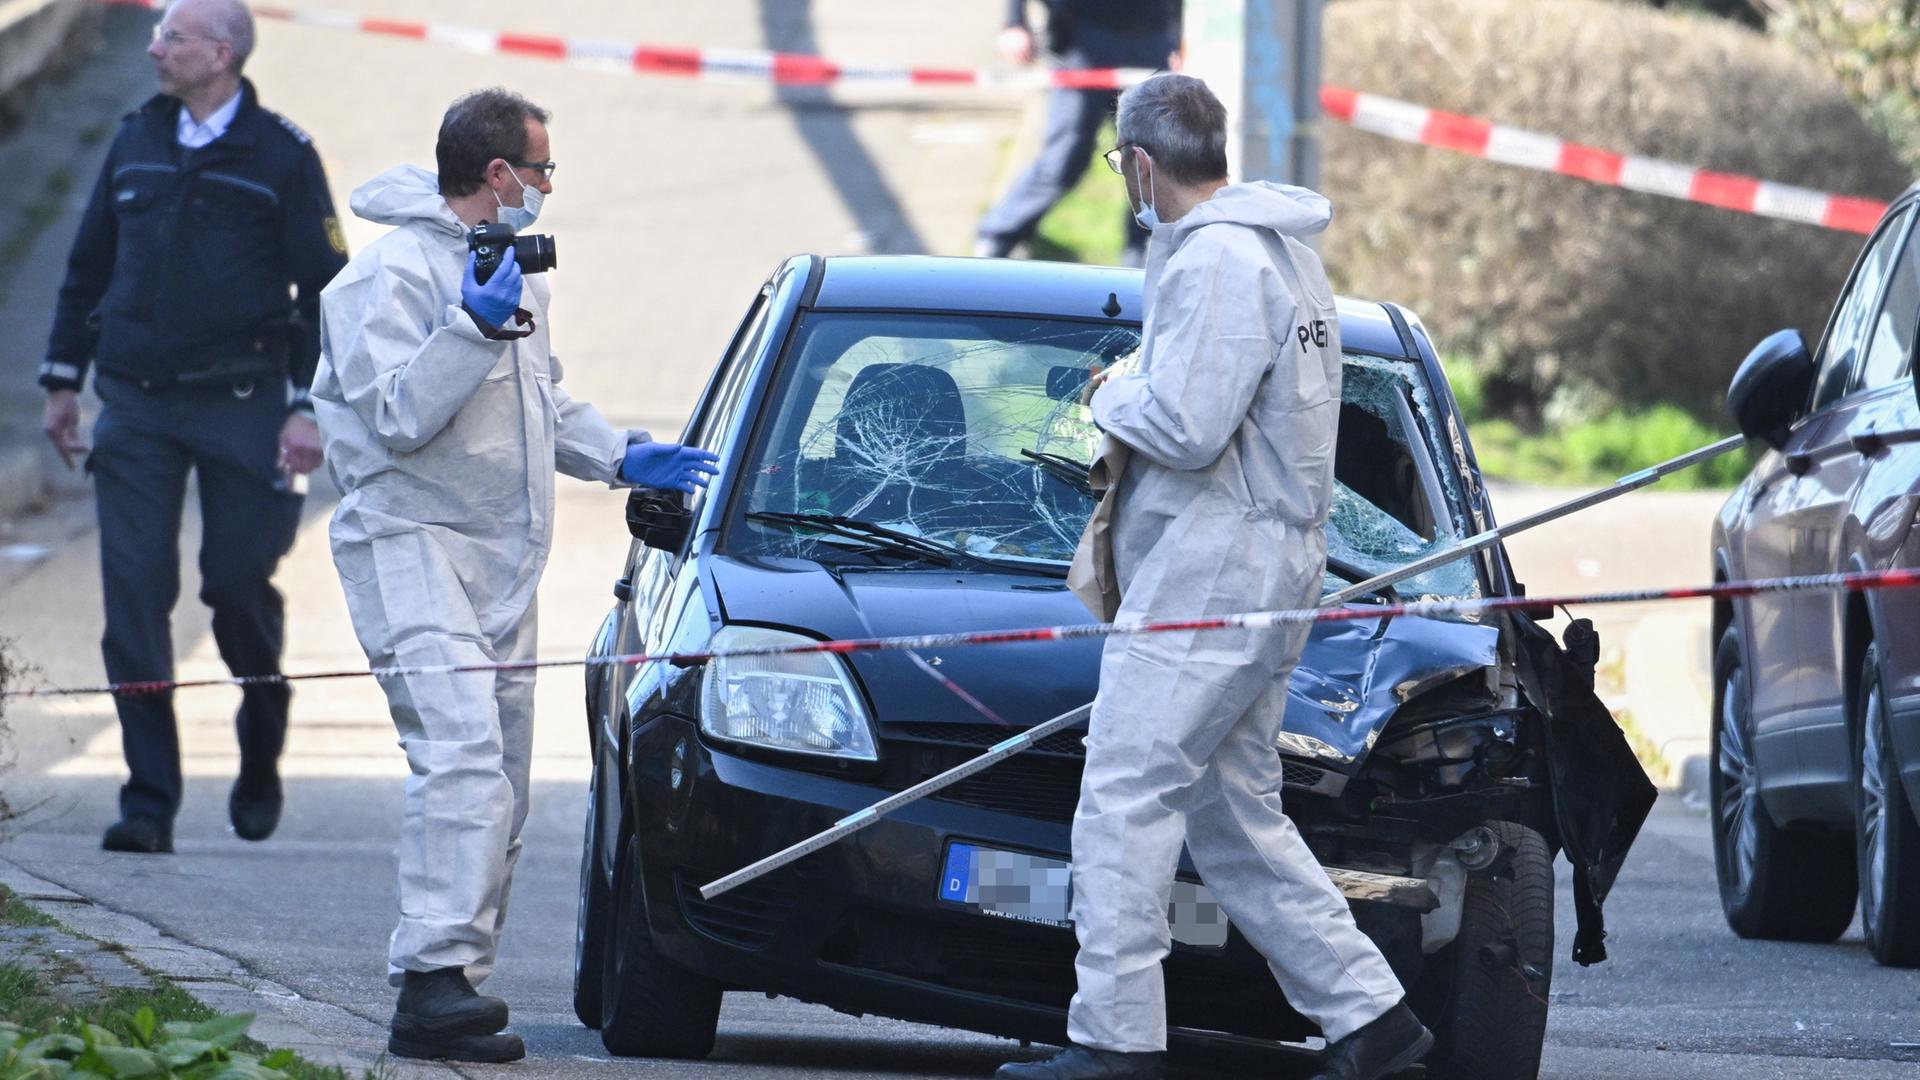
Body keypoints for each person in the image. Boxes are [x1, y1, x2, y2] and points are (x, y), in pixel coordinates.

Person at [1003, 75, 1432, 1080]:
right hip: (1270, 563)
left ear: (1142, 165)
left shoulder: (1218, 262)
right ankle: (1372, 1021)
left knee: (1123, 793)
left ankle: (1115, 1045)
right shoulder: (1286, 255)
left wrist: (1114, 392)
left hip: (1213, 566)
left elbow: (1187, 429)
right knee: (1232, 812)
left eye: (1120, 169)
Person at [311, 88, 718, 1064]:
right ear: (497, 174)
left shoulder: (509, 275)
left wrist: (625, 455)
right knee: (456, 755)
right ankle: (431, 981)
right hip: (409, 541)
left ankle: (460, 978)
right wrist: (468, 330)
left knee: (500, 777)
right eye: (541, 170)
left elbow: (543, 402)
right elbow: (400, 418)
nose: (546, 187)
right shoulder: (386, 280)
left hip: (498, 553)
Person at [39, 0, 347, 855]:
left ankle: (262, 717)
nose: (153, 47)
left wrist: (308, 405)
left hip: (243, 401)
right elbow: (86, 264)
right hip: (135, 402)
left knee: (235, 582)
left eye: (170, 36)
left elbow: (329, 293)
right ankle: (149, 801)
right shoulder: (135, 138)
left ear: (222, 53)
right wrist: (63, 380)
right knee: (133, 601)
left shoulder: (281, 156)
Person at [974, 0, 1182, 267]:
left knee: (1151, 167)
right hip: (1083, 40)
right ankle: (992, 243)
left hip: (1151, 40)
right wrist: (1014, 22)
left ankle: (1142, 267)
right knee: (1064, 160)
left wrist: (1178, 33)